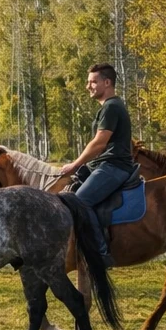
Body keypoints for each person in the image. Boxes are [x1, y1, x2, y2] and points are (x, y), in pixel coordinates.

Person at [57, 62, 136, 268]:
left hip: (114, 166)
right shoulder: (108, 107)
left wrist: (75, 165)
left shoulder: (111, 107)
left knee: (81, 201)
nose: (88, 86)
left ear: (107, 82)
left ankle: (101, 254)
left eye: (93, 82)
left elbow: (99, 142)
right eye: (88, 82)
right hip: (104, 164)